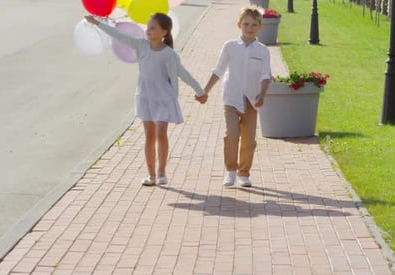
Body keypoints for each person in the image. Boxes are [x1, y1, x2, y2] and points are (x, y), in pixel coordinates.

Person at [85, 13, 205, 186]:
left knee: (161, 134)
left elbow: (183, 74)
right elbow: (119, 35)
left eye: (153, 28)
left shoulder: (169, 55)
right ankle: (151, 175)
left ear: (164, 32)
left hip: (163, 99)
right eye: (148, 27)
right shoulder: (141, 46)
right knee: (149, 136)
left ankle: (162, 172)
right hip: (146, 98)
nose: (148, 30)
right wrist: (97, 23)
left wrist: (200, 91)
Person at [196, 6, 271, 187]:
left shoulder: (262, 51)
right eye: (246, 24)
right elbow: (218, 70)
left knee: (249, 140)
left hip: (252, 101)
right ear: (239, 25)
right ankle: (231, 170)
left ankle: (243, 173)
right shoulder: (230, 47)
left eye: (254, 25)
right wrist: (205, 91)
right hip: (231, 98)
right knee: (232, 135)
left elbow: (266, 75)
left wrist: (262, 94)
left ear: (260, 27)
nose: (249, 28)